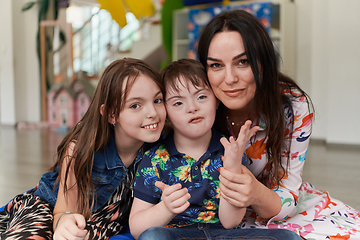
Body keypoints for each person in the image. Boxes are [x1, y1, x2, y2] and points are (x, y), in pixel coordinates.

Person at [197, 9, 360, 239]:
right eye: (216, 65)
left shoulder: (292, 105)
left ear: (263, 62)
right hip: (207, 215)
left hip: (275, 205)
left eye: (242, 62)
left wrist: (254, 193)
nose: (230, 78)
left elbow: (287, 192)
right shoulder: (196, 103)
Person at [129, 59, 302, 240]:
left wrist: (232, 168)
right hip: (176, 235)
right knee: (153, 236)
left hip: (224, 235)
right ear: (166, 112)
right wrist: (164, 208)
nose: (192, 108)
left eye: (201, 97)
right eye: (178, 103)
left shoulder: (230, 150)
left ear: (216, 101)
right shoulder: (154, 159)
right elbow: (136, 227)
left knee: (288, 237)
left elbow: (230, 222)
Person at [0, 58, 166, 240]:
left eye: (158, 100)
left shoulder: (163, 147)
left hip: (100, 224)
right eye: (135, 105)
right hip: (50, 210)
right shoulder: (80, 149)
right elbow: (62, 210)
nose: (153, 113)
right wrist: (64, 222)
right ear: (111, 114)